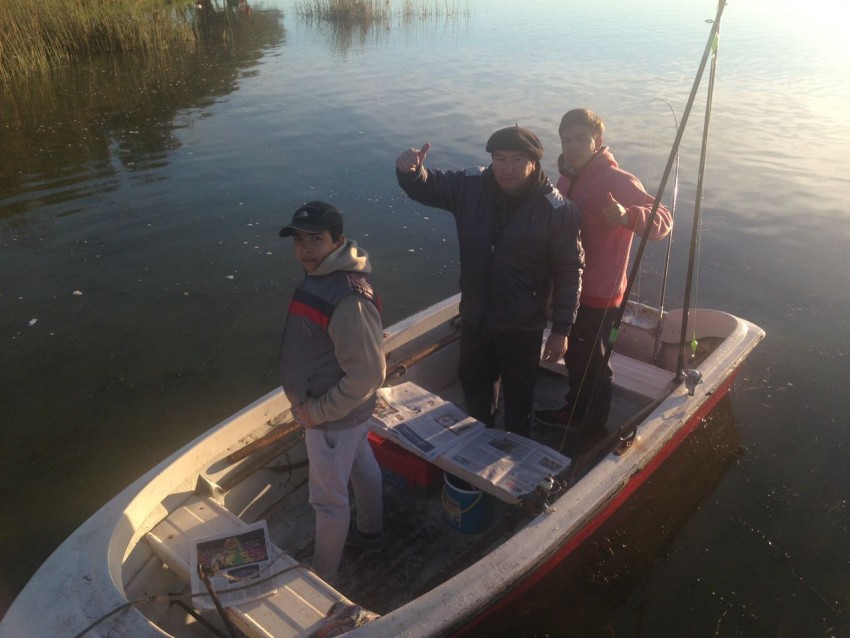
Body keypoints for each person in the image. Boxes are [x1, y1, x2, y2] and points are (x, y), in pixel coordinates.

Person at [395, 126, 584, 438]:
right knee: (475, 387)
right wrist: (412, 172)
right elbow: (430, 186)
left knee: (520, 394)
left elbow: (570, 270)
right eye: (500, 159)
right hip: (476, 317)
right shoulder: (471, 186)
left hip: (521, 325)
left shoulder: (558, 211)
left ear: (534, 164)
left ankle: (515, 449)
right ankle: (481, 438)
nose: (507, 168)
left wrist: (562, 329)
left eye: (517, 160)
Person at [535, 109, 672, 444]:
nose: (573, 146)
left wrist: (630, 215)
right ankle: (575, 410)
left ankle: (593, 429)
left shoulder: (619, 180)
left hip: (600, 293)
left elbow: (664, 220)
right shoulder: (567, 177)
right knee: (576, 357)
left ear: (598, 141)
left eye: (581, 138)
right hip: (569, 290)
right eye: (567, 140)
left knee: (593, 365)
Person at [278, 201, 385, 583]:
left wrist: (316, 413)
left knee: (328, 502)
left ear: (337, 240)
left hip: (332, 417)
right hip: (344, 416)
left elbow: (369, 374)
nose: (305, 248)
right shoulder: (322, 274)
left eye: (316, 240)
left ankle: (321, 578)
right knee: (362, 467)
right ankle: (371, 533)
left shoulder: (348, 297)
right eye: (299, 240)